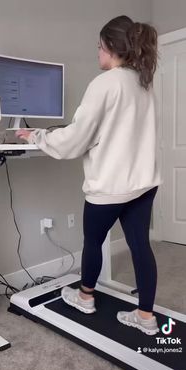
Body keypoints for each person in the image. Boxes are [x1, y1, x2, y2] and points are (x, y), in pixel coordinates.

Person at [16, 15, 163, 336]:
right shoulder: (143, 82)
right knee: (141, 246)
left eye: (99, 47)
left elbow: (74, 140)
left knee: (93, 242)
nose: (97, 53)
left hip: (110, 188)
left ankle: (85, 297)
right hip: (143, 184)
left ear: (111, 47)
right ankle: (146, 317)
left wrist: (36, 136)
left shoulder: (105, 83)